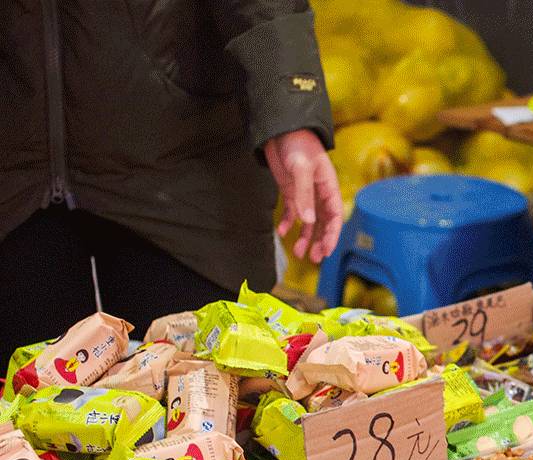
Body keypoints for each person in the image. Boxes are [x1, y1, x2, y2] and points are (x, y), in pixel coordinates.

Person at [0, 0, 343, 351]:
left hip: (187, 163)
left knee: (212, 384)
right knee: (22, 394)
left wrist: (290, 110)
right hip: (12, 180)